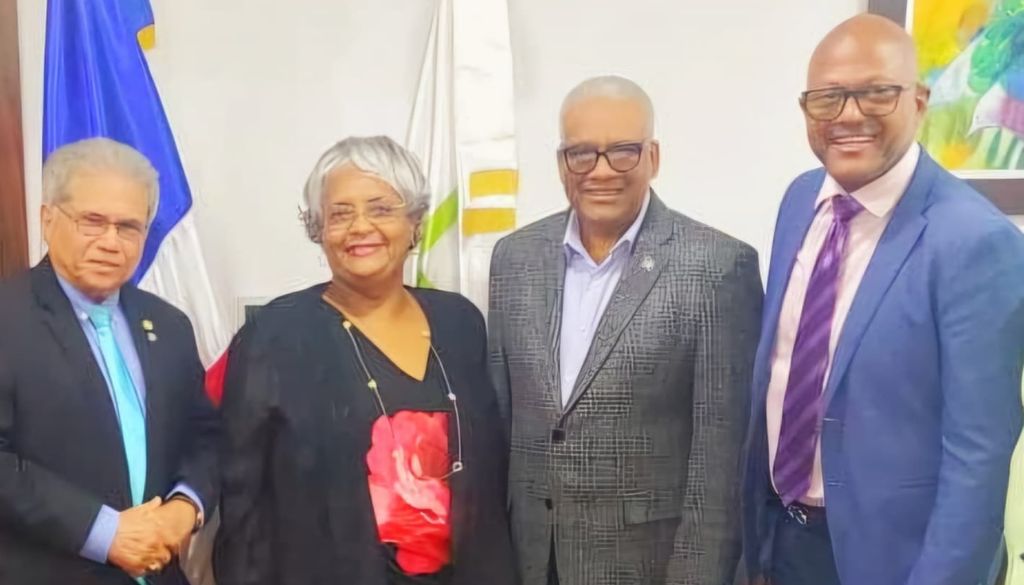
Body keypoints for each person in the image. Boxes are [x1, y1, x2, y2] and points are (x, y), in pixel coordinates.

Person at [741, 14, 1024, 585]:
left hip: (898, 560)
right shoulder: (799, 200)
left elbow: (979, 456)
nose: (848, 114)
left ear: (918, 102)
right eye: (828, 97)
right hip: (784, 541)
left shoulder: (976, 242)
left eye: (875, 93)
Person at [487, 76, 763, 585]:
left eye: (622, 152)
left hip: (647, 566)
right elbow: (502, 423)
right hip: (530, 560)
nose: (601, 171)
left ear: (653, 157)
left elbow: (720, 466)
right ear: (561, 162)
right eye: (581, 154)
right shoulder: (514, 259)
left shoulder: (718, 268)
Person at [214, 136, 517, 585]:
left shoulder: (460, 322)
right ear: (318, 230)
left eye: (381, 209)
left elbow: (489, 478)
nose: (360, 226)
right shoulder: (274, 335)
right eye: (340, 214)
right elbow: (242, 502)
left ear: (415, 223)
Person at [0, 137, 219, 583]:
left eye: (129, 227)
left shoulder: (169, 325)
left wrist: (185, 506)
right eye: (92, 221)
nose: (110, 242)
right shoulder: (9, 318)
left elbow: (205, 436)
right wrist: (103, 533)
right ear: (48, 219)